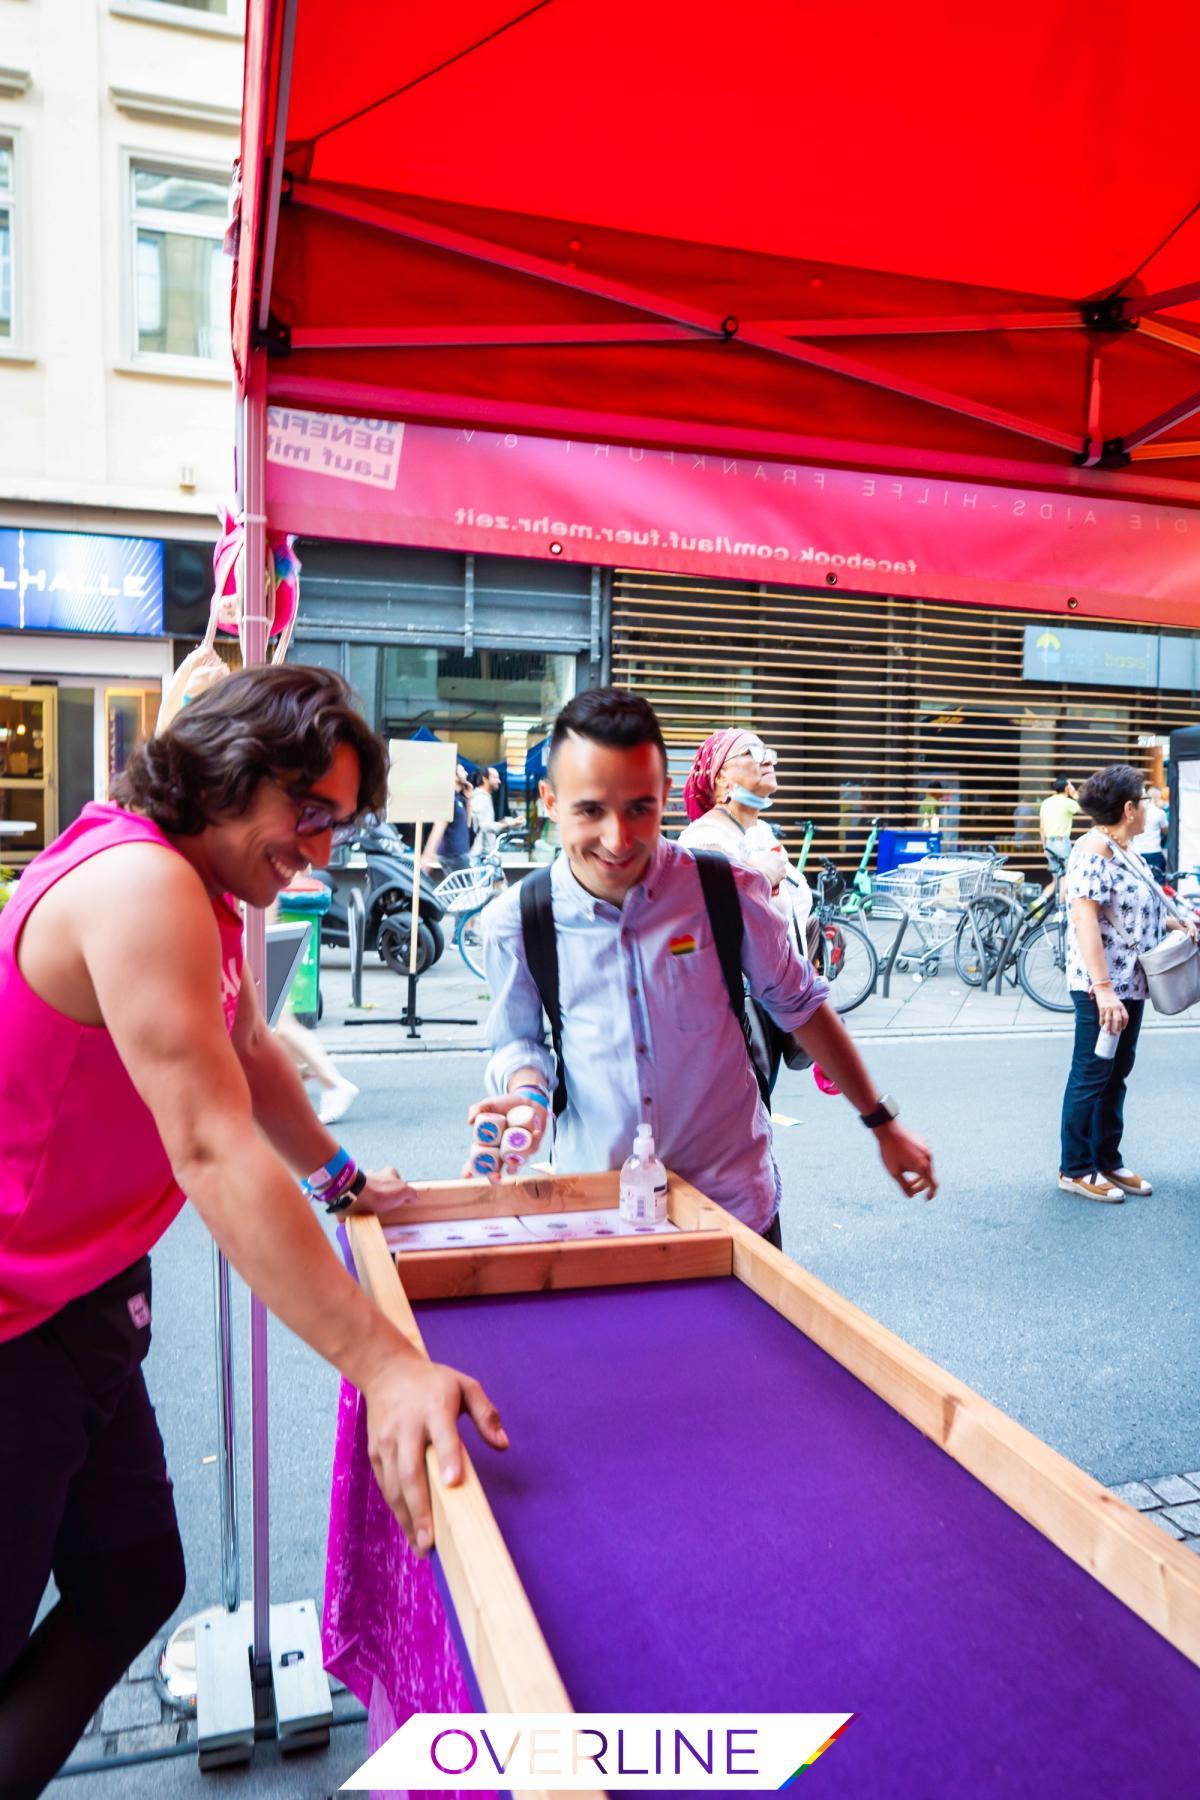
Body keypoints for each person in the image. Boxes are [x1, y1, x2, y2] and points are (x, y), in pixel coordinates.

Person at [0, 665, 505, 1794]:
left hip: (78, 1299)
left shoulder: (198, 885)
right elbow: (213, 1145)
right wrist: (383, 1363)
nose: (319, 851)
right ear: (234, 771)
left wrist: (337, 1176)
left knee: (132, 1573)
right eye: (309, 815)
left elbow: (248, 1048)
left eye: (337, 824)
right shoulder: (139, 883)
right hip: (12, 1320)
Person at [467, 688, 936, 1245]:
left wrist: (881, 1122)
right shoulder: (516, 921)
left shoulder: (725, 889)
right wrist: (528, 1096)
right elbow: (518, 1042)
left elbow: (801, 1003)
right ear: (549, 800)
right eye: (590, 809)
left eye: (639, 807)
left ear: (665, 795)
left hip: (734, 1206)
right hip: (598, 1209)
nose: (617, 839)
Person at [1058, 764, 1197, 1204]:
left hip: (1131, 984)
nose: (1150, 807)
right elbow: (1084, 918)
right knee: (1091, 1074)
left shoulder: (1124, 850)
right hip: (1104, 988)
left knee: (1117, 1074)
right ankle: (1075, 1168)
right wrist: (1102, 990)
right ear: (1129, 808)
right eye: (1145, 799)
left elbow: (1133, 914)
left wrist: (1177, 923)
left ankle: (1107, 1160)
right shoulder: (1093, 851)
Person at [677, 726, 813, 943]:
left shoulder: (763, 833)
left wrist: (812, 934)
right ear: (721, 779)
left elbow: (783, 913)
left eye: (768, 753)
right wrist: (756, 879)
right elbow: (690, 937)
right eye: (752, 753)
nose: (768, 761)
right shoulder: (704, 839)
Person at [422, 762, 473, 874]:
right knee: (465, 890)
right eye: (462, 771)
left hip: (459, 854)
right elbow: (439, 827)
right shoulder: (448, 798)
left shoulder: (459, 798)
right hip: (453, 855)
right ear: (454, 776)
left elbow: (467, 824)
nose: (466, 773)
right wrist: (427, 858)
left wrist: (469, 799)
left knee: (460, 890)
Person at [469, 766, 520, 857]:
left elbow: (485, 823)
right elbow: (485, 826)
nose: (499, 781)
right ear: (485, 779)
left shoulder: (484, 797)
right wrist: (509, 824)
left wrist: (509, 822)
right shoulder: (481, 798)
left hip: (484, 853)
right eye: (495, 778)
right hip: (481, 854)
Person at [1130, 782, 1169, 878]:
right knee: (1157, 883)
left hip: (1137, 851)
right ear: (1158, 797)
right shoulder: (1160, 813)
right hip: (1154, 851)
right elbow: (1166, 830)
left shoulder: (1135, 811)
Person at [1040, 776, 1079, 867]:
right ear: (1067, 788)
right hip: (1062, 844)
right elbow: (1087, 808)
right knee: (1066, 876)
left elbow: (1042, 827)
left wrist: (1044, 847)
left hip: (1049, 844)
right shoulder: (1068, 802)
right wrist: (1075, 795)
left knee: (1056, 876)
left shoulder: (1046, 802)